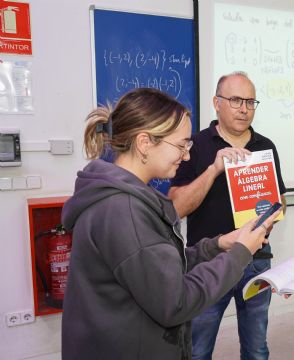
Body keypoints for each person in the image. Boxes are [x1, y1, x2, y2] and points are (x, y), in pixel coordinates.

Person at [60, 87, 281, 360]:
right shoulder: (124, 211)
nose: (187, 156)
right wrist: (239, 254)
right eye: (181, 145)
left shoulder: (129, 199)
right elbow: (176, 302)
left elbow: (159, 264)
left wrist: (218, 245)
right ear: (144, 143)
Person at [169, 71, 287, 360]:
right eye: (235, 100)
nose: (244, 108)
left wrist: (272, 214)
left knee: (257, 348)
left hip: (256, 260)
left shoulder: (265, 146)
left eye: (250, 101)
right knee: (197, 349)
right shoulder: (194, 146)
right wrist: (213, 170)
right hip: (207, 261)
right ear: (216, 103)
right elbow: (176, 207)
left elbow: (280, 202)